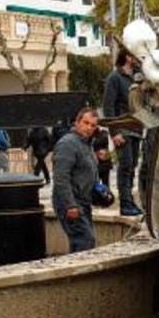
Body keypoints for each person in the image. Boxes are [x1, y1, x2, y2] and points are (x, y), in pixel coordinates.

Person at [53, 107, 100, 253]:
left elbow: (90, 173)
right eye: (86, 123)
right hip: (71, 202)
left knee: (80, 243)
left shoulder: (86, 144)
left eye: (93, 125)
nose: (89, 128)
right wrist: (70, 205)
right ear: (77, 122)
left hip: (83, 201)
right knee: (85, 240)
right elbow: (61, 177)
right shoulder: (67, 144)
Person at [103, 49, 144, 217]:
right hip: (122, 129)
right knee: (125, 165)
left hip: (136, 128)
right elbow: (108, 106)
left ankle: (130, 201)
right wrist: (114, 132)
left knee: (132, 166)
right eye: (135, 55)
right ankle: (125, 204)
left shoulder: (136, 77)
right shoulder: (114, 78)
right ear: (127, 57)